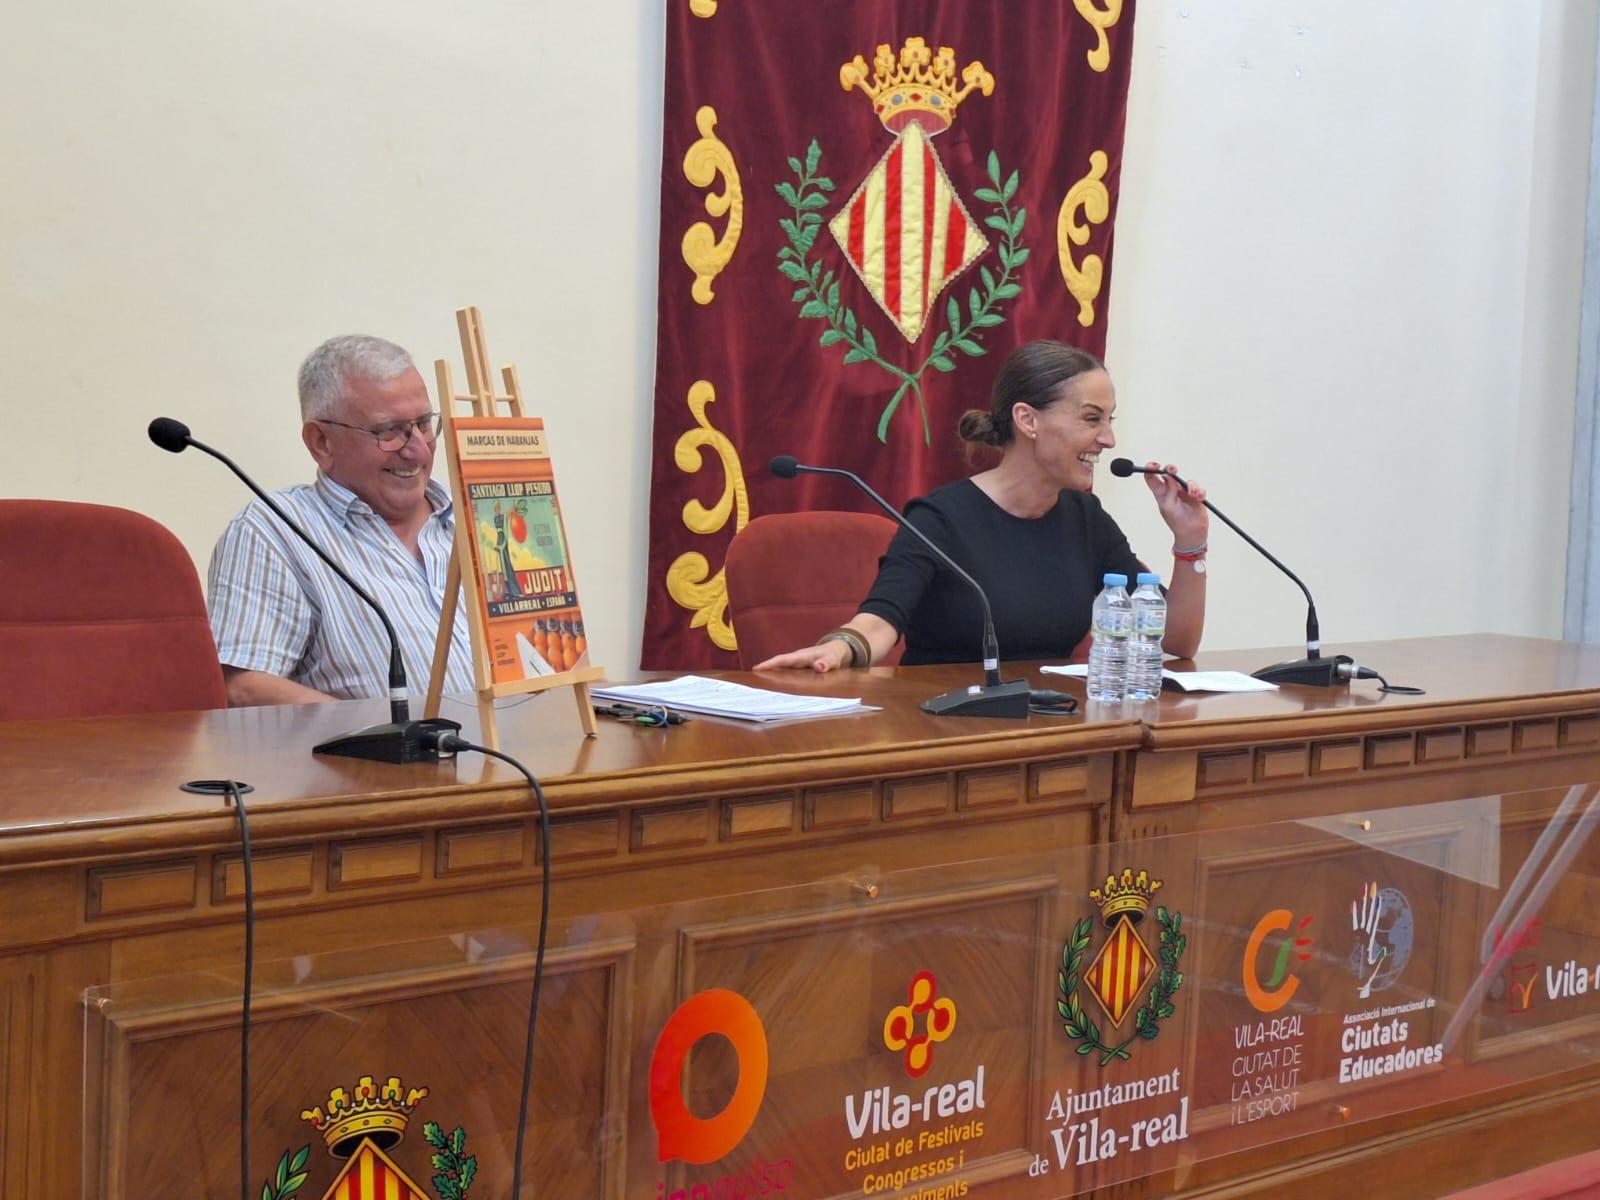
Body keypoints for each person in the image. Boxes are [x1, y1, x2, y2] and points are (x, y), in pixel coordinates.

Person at [754, 340, 1208, 672]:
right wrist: (838, 648)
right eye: (1092, 419)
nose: (1108, 439)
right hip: (945, 733)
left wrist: (1190, 543)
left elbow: (1176, 640)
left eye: (1109, 421)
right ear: (1027, 420)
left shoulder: (1086, 519)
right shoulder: (939, 518)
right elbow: (880, 622)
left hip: (1050, 732)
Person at [207, 334, 475, 705]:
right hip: (382, 747)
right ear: (322, 442)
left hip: (530, 740)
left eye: (424, 424)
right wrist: (385, 732)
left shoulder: (478, 517)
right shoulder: (277, 531)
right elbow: (243, 686)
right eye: (389, 431)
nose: (418, 450)